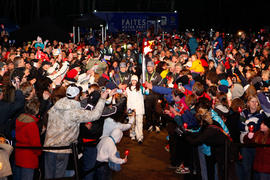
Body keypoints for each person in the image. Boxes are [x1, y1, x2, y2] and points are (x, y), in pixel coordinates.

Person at [43, 85, 110, 179]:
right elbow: (95, 115)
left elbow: (46, 118)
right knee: (59, 176)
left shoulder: (55, 107)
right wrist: (102, 99)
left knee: (48, 176)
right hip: (63, 148)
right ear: (77, 96)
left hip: (48, 147)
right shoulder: (75, 112)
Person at [14, 98, 41, 180]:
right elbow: (35, 144)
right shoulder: (32, 124)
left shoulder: (19, 120)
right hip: (29, 158)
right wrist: (39, 152)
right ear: (36, 110)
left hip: (18, 154)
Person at [126, 75, 145, 143]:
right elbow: (125, 95)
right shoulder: (128, 89)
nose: (134, 82)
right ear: (131, 81)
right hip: (130, 107)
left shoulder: (141, 88)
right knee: (131, 122)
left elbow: (145, 92)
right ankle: (132, 134)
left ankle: (139, 137)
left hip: (139, 108)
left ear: (137, 81)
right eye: (132, 80)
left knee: (139, 123)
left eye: (135, 80)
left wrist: (145, 88)